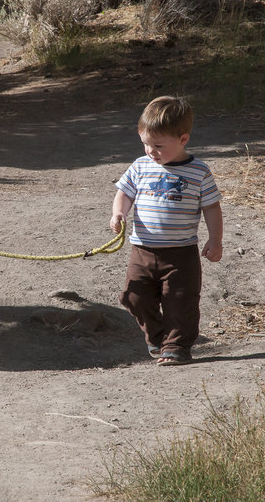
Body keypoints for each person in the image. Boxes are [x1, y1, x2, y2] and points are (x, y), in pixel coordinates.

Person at [110, 96, 223, 366]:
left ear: (183, 139)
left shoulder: (198, 171)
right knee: (134, 297)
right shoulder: (140, 166)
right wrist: (119, 213)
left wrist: (215, 239)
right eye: (146, 144)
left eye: (158, 145)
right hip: (142, 250)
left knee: (180, 302)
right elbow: (123, 193)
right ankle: (157, 338)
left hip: (181, 253)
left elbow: (211, 207)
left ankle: (176, 347)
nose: (151, 151)